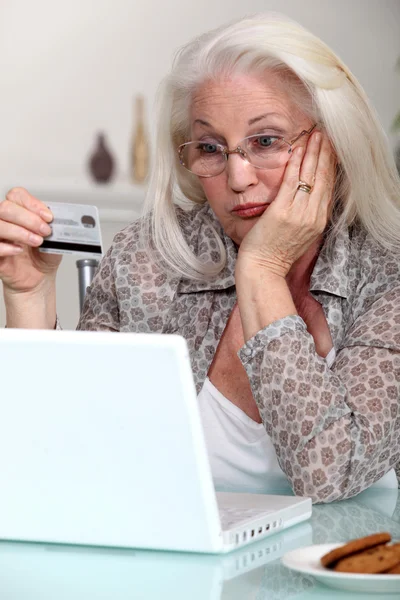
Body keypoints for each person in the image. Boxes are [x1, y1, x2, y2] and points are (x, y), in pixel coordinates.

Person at [1, 13, 400, 503]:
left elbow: (329, 474)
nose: (237, 177)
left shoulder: (386, 277)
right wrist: (29, 298)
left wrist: (262, 271)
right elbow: (62, 455)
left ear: (333, 143)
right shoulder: (148, 258)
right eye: (211, 147)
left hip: (349, 569)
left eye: (266, 141)